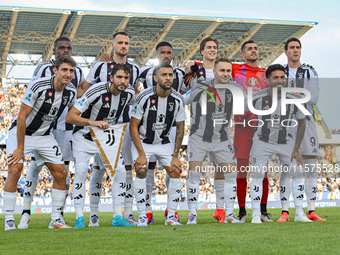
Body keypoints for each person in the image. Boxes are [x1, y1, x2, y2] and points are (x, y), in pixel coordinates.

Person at [3, 56, 77, 230]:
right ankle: (8, 220)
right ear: (55, 70)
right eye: (64, 70)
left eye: (71, 71)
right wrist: (20, 148)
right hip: (22, 133)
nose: (68, 74)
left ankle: (56, 219)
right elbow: (22, 117)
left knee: (61, 173)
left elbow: (75, 113)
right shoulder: (38, 86)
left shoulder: (71, 92)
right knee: (15, 170)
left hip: (45, 135)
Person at [18, 37, 84, 229]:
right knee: (34, 167)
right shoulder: (42, 69)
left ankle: (58, 215)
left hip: (64, 127)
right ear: (54, 51)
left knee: (62, 170)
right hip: (42, 126)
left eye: (69, 48)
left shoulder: (76, 70)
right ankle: (26, 212)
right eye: (61, 48)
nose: (65, 51)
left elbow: (78, 94)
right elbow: (32, 94)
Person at [77, 31, 140, 226]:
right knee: (96, 168)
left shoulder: (135, 69)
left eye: (126, 43)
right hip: (93, 127)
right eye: (120, 43)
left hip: (118, 128)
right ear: (112, 45)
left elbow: (134, 95)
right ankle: (92, 214)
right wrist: (90, 116)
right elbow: (82, 90)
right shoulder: (100, 65)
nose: (123, 46)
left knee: (124, 168)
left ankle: (124, 213)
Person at [66, 63, 135, 228]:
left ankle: (117, 217)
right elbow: (70, 116)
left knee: (120, 171)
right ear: (111, 78)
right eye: (119, 77)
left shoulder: (129, 93)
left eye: (126, 78)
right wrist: (92, 122)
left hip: (106, 138)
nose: (122, 81)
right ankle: (79, 217)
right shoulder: (96, 90)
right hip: (84, 136)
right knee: (82, 170)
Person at [248, 64, 311, 223]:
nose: (279, 81)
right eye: (275, 77)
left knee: (296, 174)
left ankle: (299, 213)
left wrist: (296, 149)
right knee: (257, 174)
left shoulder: (294, 99)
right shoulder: (256, 98)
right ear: (267, 80)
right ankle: (256, 214)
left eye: (282, 77)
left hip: (285, 142)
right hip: (262, 140)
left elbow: (302, 122)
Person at [185, 58, 243, 224]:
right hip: (199, 137)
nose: (225, 74)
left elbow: (248, 105)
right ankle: (192, 215)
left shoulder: (236, 89)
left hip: (222, 138)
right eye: (222, 70)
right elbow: (182, 100)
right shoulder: (200, 88)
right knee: (194, 174)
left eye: (228, 71)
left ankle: (230, 214)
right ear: (215, 72)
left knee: (231, 175)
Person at [130, 62, 186, 226]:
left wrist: (175, 156)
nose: (168, 78)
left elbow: (181, 128)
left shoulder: (177, 99)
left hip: (163, 141)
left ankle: (171, 216)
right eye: (164, 75)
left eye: (170, 75)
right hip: (143, 142)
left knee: (175, 170)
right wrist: (141, 153)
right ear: (155, 78)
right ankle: (142, 216)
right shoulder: (143, 97)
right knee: (141, 170)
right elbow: (133, 125)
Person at [278, 37, 326, 222]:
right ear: (286, 51)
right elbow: (276, 94)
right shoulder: (279, 72)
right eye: (291, 48)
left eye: (298, 47)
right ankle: (285, 211)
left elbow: (314, 99)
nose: (295, 50)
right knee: (287, 168)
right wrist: (300, 94)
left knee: (311, 168)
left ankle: (311, 210)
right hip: (286, 123)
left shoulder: (310, 71)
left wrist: (289, 94)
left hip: (307, 121)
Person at [185, 37, 227, 223]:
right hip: (198, 129)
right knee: (194, 172)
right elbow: (183, 91)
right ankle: (192, 213)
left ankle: (220, 210)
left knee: (221, 170)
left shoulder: (224, 71)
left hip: (219, 129)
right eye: (208, 47)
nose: (212, 50)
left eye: (215, 47)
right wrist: (188, 67)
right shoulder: (193, 71)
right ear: (201, 51)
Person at [232, 40, 270, 222]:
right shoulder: (235, 70)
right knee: (242, 169)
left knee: (263, 170)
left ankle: (263, 211)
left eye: (256, 48)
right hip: (242, 126)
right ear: (243, 54)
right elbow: (213, 66)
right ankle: (242, 211)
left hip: (262, 126)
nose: (254, 51)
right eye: (250, 49)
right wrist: (194, 64)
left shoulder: (266, 73)